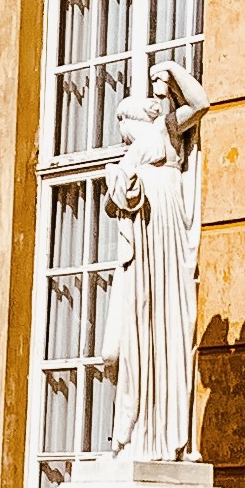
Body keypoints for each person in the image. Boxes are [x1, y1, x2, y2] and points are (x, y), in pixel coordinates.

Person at [98, 59, 207, 463]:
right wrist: (123, 181)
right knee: (129, 336)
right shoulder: (132, 160)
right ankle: (133, 432)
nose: (126, 134)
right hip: (140, 249)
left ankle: (160, 435)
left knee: (165, 326)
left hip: (165, 240)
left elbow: (201, 104)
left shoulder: (168, 131)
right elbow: (117, 200)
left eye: (128, 124)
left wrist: (171, 71)